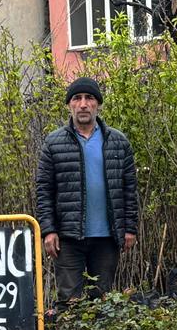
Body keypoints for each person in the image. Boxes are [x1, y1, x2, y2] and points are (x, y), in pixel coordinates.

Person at [35, 76, 139, 307]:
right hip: (68, 237)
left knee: (103, 302)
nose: (83, 104)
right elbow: (44, 190)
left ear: (98, 104)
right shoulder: (53, 143)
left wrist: (129, 228)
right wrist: (48, 230)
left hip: (107, 237)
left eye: (89, 98)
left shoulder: (118, 142)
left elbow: (129, 188)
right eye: (77, 98)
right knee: (70, 302)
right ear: (69, 105)